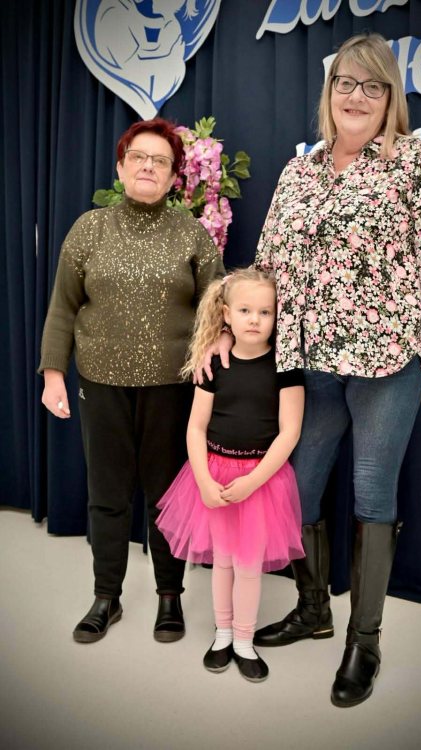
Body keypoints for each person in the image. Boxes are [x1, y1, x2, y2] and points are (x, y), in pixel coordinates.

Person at [200, 33, 421, 706]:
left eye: (372, 85)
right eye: (345, 82)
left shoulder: (414, 163)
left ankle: (363, 642)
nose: (356, 95)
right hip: (307, 364)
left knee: (373, 493)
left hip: (387, 363)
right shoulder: (300, 172)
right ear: (329, 93)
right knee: (299, 486)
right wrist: (226, 329)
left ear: (389, 97)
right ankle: (314, 609)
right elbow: (266, 267)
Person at [39, 118, 225, 644]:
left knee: (166, 497)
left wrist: (218, 350)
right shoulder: (89, 229)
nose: (148, 167)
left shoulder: (192, 234)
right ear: (120, 168)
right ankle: (107, 597)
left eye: (160, 161)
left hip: (172, 387)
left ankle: (170, 597)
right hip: (100, 383)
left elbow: (216, 305)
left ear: (174, 177)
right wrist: (53, 372)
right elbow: (63, 307)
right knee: (107, 494)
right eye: (138, 157)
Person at [155, 269, 305, 682]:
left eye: (265, 312)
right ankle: (222, 634)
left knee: (249, 565)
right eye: (245, 310)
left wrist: (253, 482)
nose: (255, 319)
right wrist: (204, 481)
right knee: (222, 562)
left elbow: (290, 432)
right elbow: (196, 427)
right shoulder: (214, 364)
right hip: (215, 474)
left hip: (262, 481)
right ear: (226, 314)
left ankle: (243, 639)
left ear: (276, 317)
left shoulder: (286, 367)